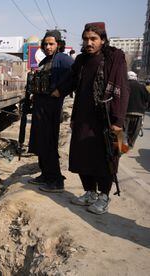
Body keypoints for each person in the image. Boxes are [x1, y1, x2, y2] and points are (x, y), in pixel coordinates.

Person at [53, 22, 130, 214]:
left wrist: (118, 121)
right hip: (82, 116)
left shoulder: (114, 58)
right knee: (82, 155)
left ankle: (104, 196)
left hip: (106, 117)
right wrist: (55, 92)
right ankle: (89, 192)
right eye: (86, 39)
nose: (89, 42)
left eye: (93, 39)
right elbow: (71, 82)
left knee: (106, 158)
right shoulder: (81, 60)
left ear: (102, 40)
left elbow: (122, 89)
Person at [27, 30, 74, 192]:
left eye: (51, 44)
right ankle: (45, 175)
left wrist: (61, 91)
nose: (48, 47)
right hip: (41, 106)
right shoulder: (46, 60)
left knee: (48, 142)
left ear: (58, 44)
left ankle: (56, 181)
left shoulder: (63, 59)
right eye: (45, 44)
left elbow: (76, 76)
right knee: (41, 141)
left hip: (51, 108)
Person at [124, 71, 149, 148]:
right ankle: (130, 144)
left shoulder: (124, 85)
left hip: (126, 112)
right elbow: (147, 99)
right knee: (135, 131)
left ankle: (123, 145)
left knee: (124, 130)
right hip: (139, 113)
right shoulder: (142, 87)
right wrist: (145, 107)